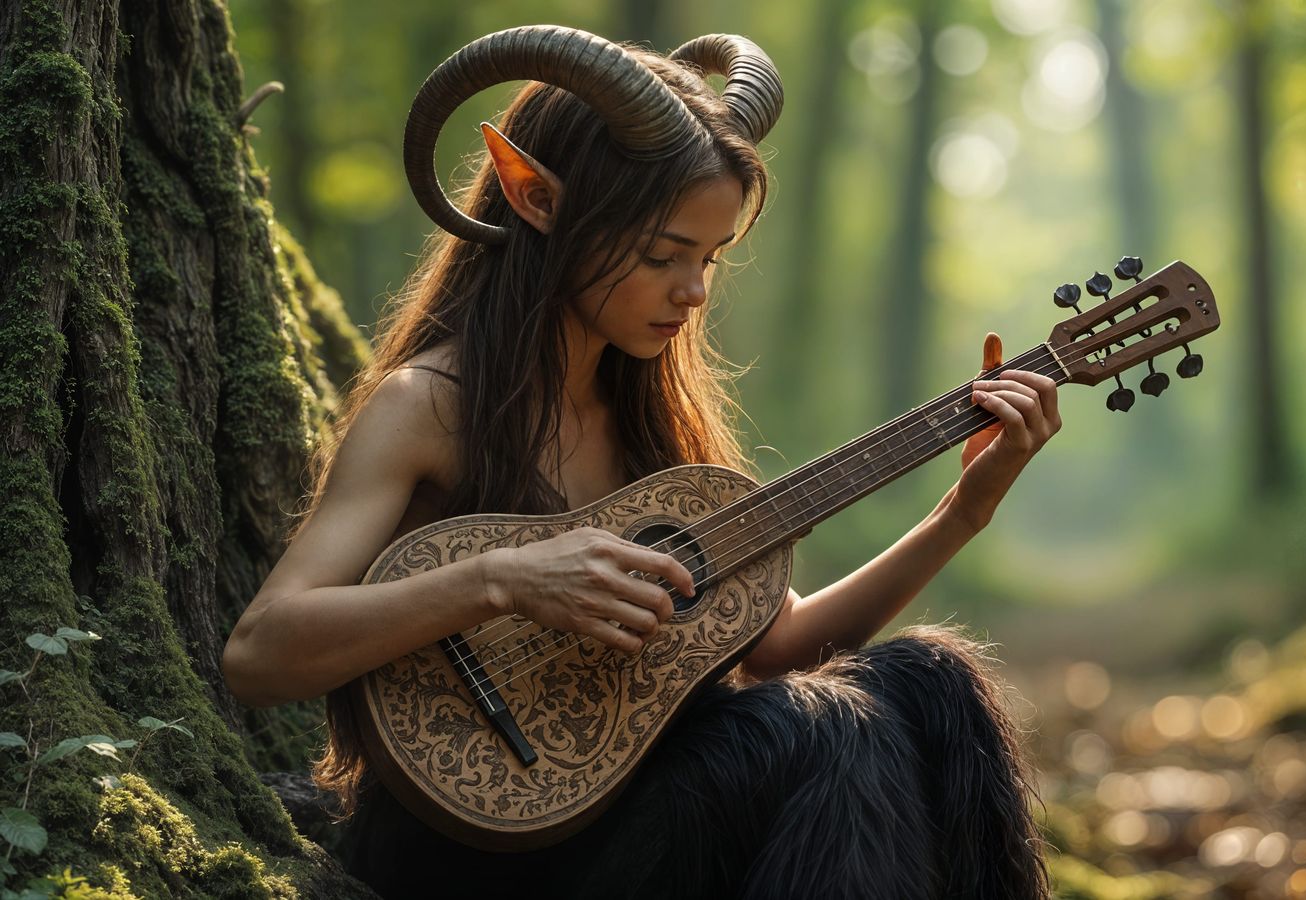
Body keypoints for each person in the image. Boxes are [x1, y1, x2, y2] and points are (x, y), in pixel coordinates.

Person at [222, 25, 1058, 899]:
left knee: (934, 684)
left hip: (642, 819)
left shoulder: (653, 420)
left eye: (708, 257)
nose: (693, 292)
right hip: (468, 849)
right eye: (663, 255)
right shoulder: (429, 405)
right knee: (829, 732)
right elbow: (259, 653)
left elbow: (774, 649)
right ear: (536, 197)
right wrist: (500, 580)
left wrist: (963, 510)